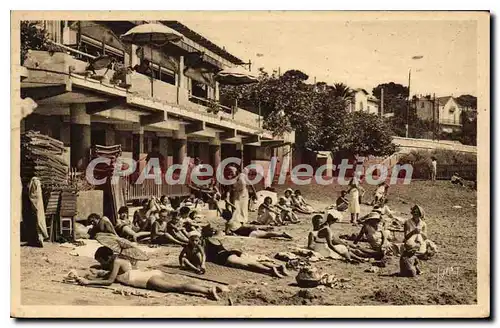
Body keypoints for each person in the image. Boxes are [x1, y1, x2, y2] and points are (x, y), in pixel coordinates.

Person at [75, 246, 223, 300]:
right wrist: (92, 275)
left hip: (147, 280)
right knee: (177, 285)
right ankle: (209, 288)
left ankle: (208, 290)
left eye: (101, 261)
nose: (101, 264)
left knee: (177, 287)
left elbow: (109, 281)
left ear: (106, 257)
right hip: (146, 276)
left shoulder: (116, 261)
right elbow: (108, 275)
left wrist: (89, 282)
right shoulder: (117, 261)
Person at [201, 225, 289, 278]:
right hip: (230, 252)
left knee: (247, 264)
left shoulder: (205, 241)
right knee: (251, 261)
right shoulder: (217, 239)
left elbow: (203, 254)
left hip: (223, 257)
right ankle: (278, 266)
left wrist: (203, 264)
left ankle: (270, 270)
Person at [224, 212, 293, 240]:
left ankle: (281, 235)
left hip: (249, 232)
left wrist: (229, 232)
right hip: (249, 228)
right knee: (265, 233)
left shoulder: (228, 223)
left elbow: (227, 233)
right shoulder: (235, 219)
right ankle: (279, 233)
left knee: (267, 235)